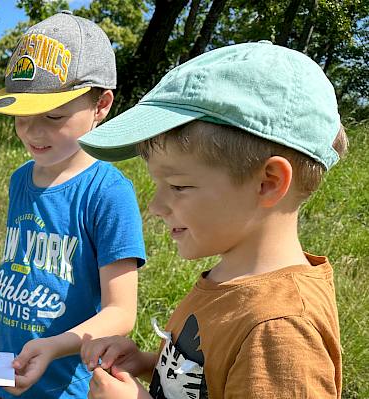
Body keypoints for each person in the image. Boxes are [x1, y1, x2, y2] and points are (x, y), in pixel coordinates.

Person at [78, 41, 346, 399]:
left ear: (268, 183)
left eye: (178, 185)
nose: (156, 205)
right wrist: (146, 363)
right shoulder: (232, 278)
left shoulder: (280, 330)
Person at [0, 11, 146, 399]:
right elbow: (20, 262)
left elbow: (121, 312)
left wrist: (54, 347)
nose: (33, 131)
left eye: (54, 115)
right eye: (21, 116)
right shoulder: (20, 180)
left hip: (61, 386)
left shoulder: (108, 193)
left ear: (101, 106)